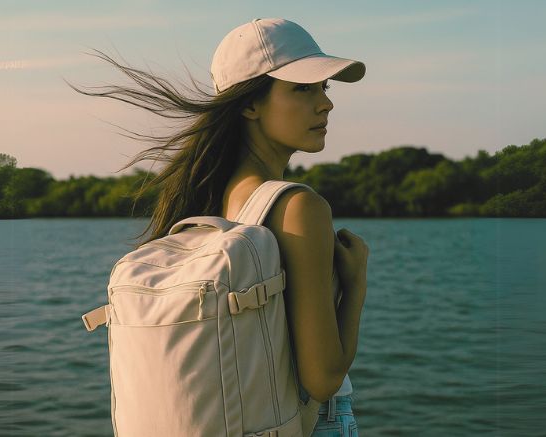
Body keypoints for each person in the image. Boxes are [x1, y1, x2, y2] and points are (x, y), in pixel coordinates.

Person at [71, 18, 369, 436]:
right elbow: (323, 379)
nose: (325, 103)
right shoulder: (298, 207)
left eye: (325, 88)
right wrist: (355, 285)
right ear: (249, 104)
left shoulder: (205, 203)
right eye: (302, 89)